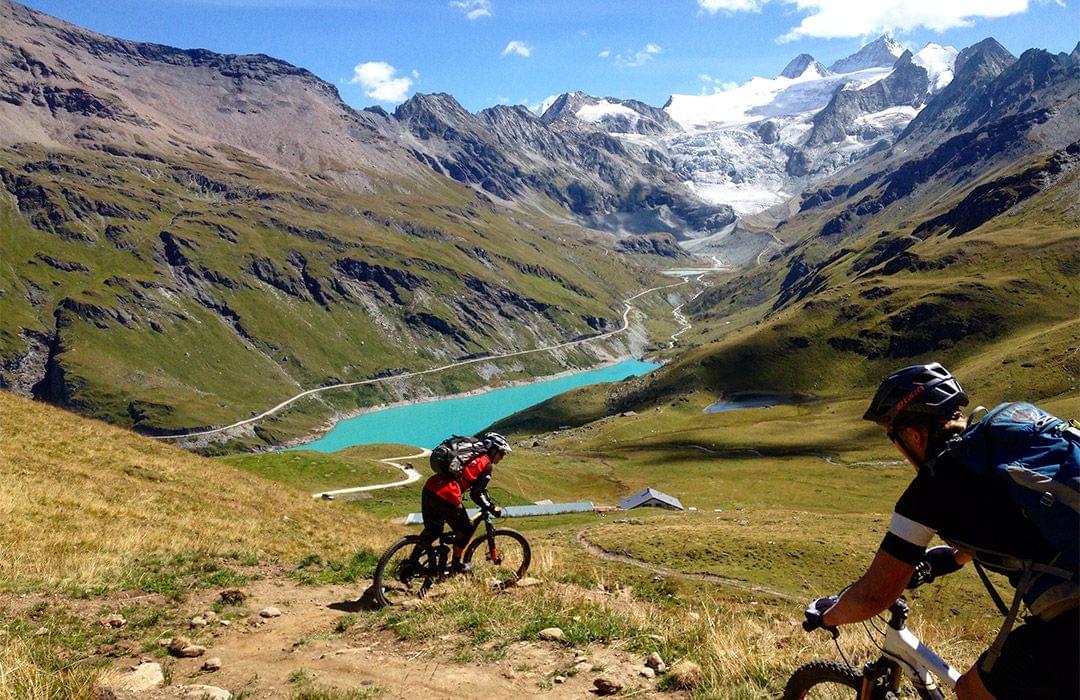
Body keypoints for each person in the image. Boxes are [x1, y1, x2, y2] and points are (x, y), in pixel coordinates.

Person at [802, 363, 1078, 699]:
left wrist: (829, 615)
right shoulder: (1000, 441)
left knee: (971, 691)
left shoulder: (932, 487)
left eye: (893, 436)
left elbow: (873, 595)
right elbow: (1001, 530)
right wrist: (938, 563)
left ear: (913, 434)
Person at [416, 431, 511, 574]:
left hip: (431, 487)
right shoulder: (486, 464)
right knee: (465, 529)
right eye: (501, 453)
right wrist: (491, 507)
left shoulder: (471, 452)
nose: (502, 457)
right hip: (447, 493)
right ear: (493, 450)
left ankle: (411, 563)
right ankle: (456, 565)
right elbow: (476, 493)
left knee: (432, 531)